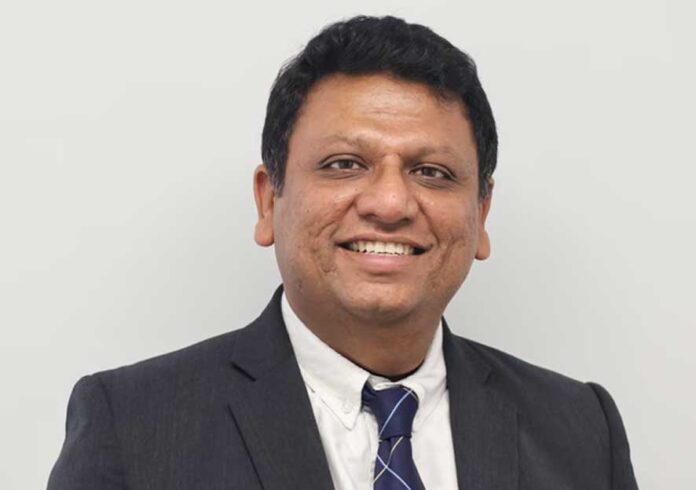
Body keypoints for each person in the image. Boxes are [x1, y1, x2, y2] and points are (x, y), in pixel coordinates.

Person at [48, 15, 638, 490]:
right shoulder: (132, 426)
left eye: (431, 172)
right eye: (344, 164)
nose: (390, 202)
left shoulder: (581, 428)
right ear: (268, 201)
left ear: (480, 214)